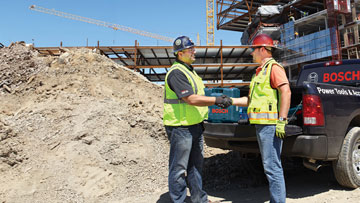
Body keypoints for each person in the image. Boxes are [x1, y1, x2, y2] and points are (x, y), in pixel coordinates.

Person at [163, 36, 231, 203]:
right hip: (180, 127)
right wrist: (217, 101)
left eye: (193, 48)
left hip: (194, 126)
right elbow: (191, 99)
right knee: (179, 168)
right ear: (180, 53)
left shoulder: (189, 70)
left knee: (195, 166)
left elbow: (200, 95)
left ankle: (199, 199)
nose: (194, 51)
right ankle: (178, 200)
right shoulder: (176, 73)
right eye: (190, 49)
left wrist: (215, 97)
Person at [232, 33, 291, 203]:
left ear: (263, 49)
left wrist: (282, 120)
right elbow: (250, 100)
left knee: (272, 168)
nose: (252, 53)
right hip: (261, 126)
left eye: (254, 49)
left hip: (270, 126)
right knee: (270, 167)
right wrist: (229, 101)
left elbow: (286, 91)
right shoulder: (259, 73)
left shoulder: (274, 68)